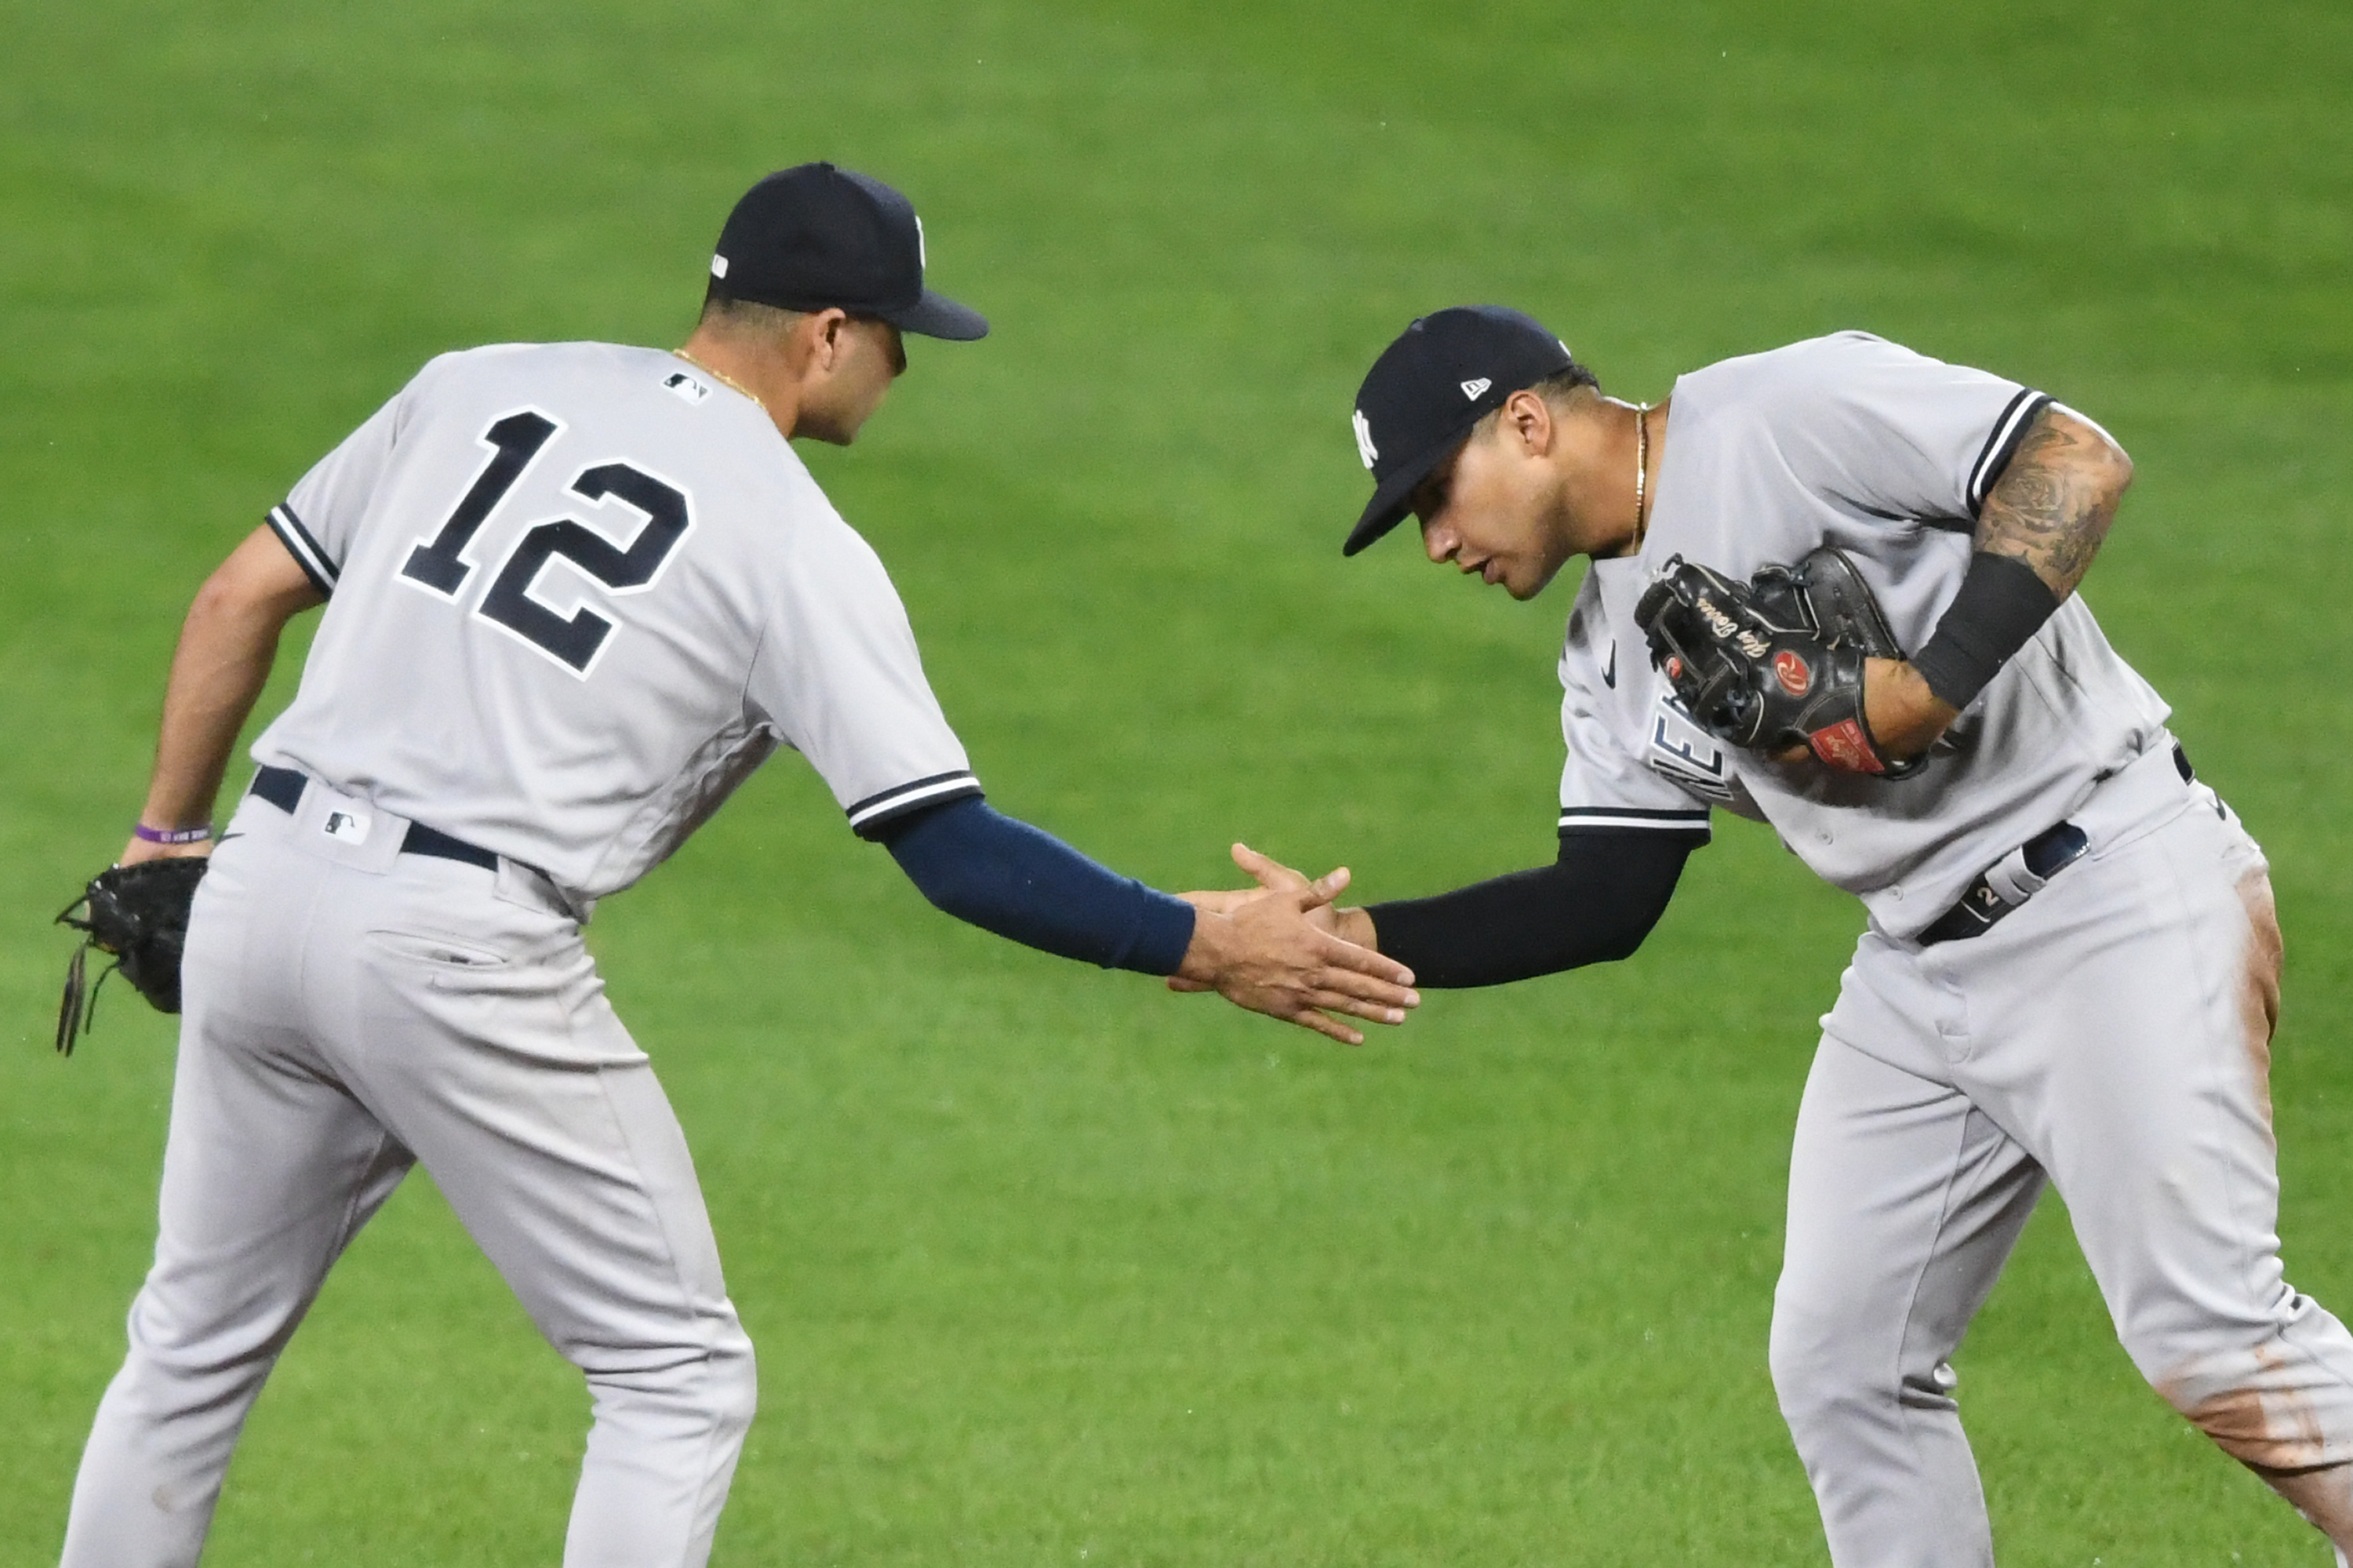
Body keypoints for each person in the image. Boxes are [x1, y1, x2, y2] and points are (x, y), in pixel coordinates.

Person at [58, 162, 1418, 1568]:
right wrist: (1204, 946)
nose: (902, 370)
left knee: (186, 1348)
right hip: (451, 948)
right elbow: (949, 847)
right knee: (673, 1375)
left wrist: (164, 839)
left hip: (261, 879)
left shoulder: (475, 383)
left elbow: (243, 593)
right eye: (897, 339)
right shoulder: (787, 534)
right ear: (827, 334)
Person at [1246, 304, 2353, 1563]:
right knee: (1844, 1364)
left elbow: (2074, 459)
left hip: (2106, 889)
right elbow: (1604, 898)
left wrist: (1925, 690)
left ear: (1528, 422)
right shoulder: (1606, 646)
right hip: (1917, 970)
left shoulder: (1782, 415)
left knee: (2208, 1337)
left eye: (1437, 495)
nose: (1437, 541)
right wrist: (1348, 937)